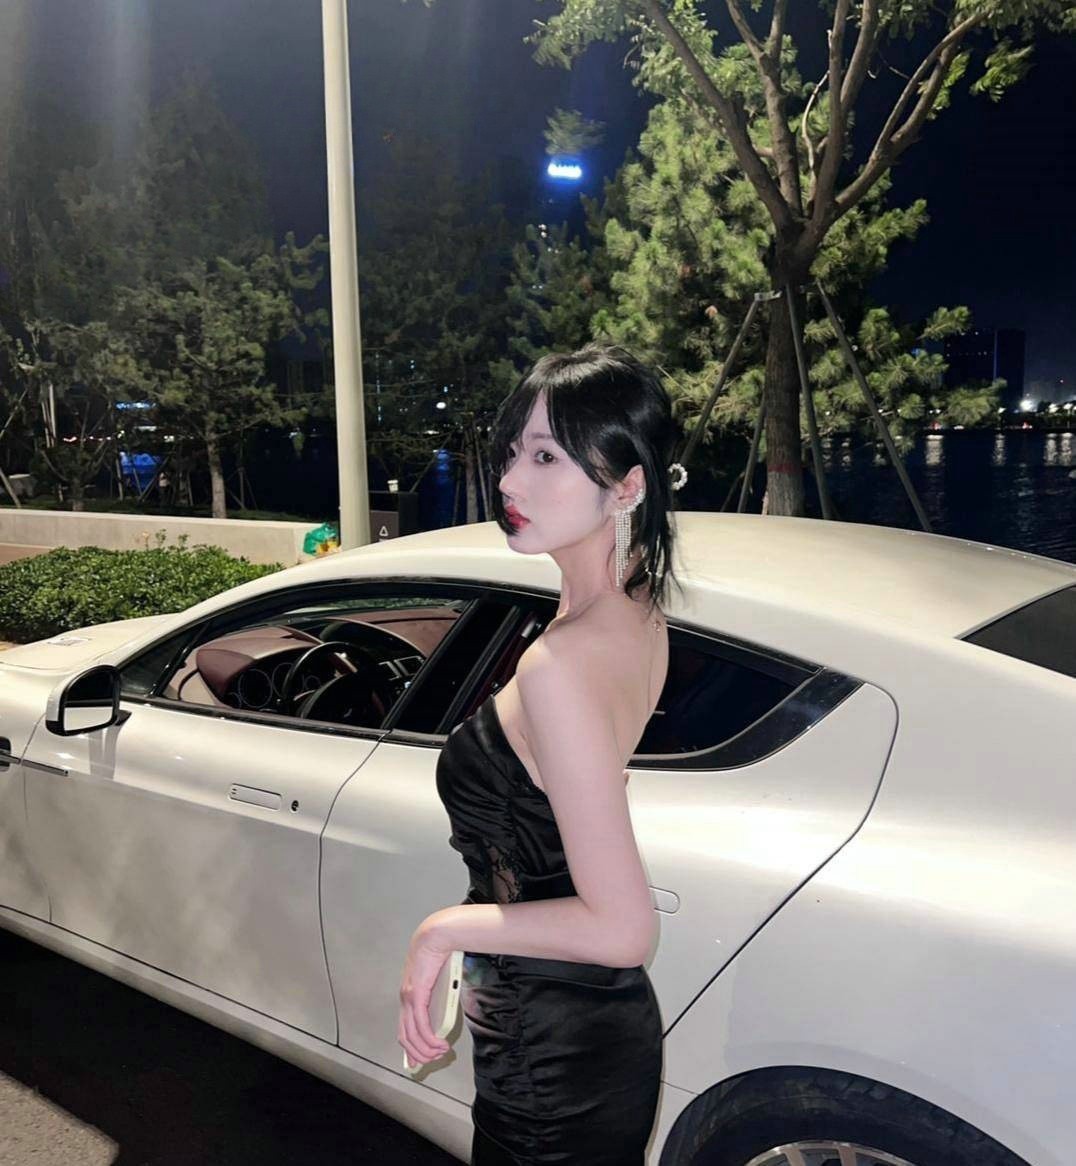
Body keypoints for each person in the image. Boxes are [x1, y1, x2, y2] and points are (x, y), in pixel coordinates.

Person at [398, 343, 687, 1164]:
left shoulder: (562, 662)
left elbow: (624, 928)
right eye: (512, 454)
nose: (509, 483)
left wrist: (438, 932)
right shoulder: (634, 611)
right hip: (575, 1033)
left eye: (546, 457)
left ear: (627, 486)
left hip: (553, 1055)